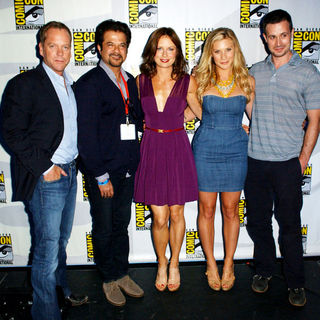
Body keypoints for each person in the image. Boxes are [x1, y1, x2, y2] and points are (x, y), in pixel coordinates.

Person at [1, 21, 88, 320]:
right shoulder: (24, 84)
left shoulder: (70, 83)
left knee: (60, 243)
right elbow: (11, 132)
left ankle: (60, 292)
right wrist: (45, 168)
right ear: (41, 48)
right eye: (54, 45)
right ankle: (45, 314)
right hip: (45, 178)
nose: (61, 52)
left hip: (69, 173)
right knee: (47, 250)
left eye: (66, 46)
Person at [245, 9, 320, 307]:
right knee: (258, 222)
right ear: (264, 38)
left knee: (289, 225)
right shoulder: (254, 71)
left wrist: (302, 159)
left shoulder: (308, 73)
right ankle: (263, 271)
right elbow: (252, 110)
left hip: (289, 163)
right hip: (255, 162)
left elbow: (315, 120)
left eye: (284, 35)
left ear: (292, 34)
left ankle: (296, 282)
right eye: (272, 36)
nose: (278, 42)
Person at [75, 19, 144, 307]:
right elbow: (85, 136)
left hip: (127, 168)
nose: (116, 50)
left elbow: (138, 119)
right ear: (99, 48)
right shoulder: (89, 84)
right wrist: (100, 175)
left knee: (121, 224)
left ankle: (122, 272)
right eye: (110, 44)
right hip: (103, 172)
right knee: (103, 227)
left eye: (122, 45)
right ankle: (107, 278)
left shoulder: (129, 80)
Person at [134, 27, 202, 292]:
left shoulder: (187, 81)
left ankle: (174, 263)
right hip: (151, 147)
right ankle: (160, 262)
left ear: (177, 53)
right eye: (160, 48)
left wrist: (236, 125)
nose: (165, 54)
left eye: (170, 49)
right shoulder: (140, 81)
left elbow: (200, 113)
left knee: (177, 212)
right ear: (153, 51)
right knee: (159, 217)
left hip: (176, 147)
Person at [192, 28, 255, 291]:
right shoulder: (200, 78)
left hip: (236, 151)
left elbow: (256, 119)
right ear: (211, 53)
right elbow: (192, 106)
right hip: (206, 148)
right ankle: (210, 263)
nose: (223, 56)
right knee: (206, 210)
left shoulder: (248, 81)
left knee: (231, 210)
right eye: (217, 51)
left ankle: (228, 263)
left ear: (235, 50)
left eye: (228, 49)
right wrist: (209, 121)